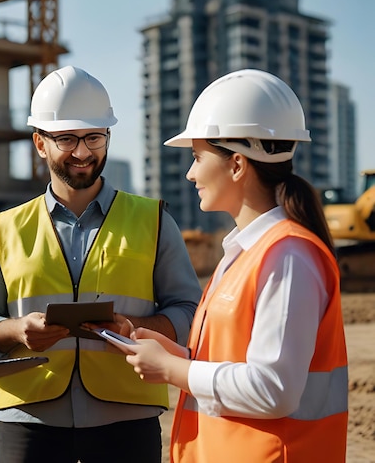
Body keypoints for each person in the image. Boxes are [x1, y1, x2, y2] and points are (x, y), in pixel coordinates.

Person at [0, 65, 201, 462]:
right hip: (28, 421)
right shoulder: (6, 229)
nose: (84, 152)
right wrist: (18, 330)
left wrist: (132, 328)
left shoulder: (154, 221)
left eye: (94, 137)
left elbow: (190, 312)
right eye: (67, 138)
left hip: (126, 419)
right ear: (40, 143)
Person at [125, 69, 348, 462]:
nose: (190, 172)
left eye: (196, 157)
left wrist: (173, 370)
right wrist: (178, 355)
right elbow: (238, 364)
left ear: (237, 165)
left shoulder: (287, 257)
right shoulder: (247, 252)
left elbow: (272, 389)